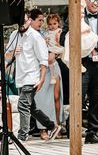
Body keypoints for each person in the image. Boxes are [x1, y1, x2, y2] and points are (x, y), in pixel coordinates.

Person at [61, 0, 98, 144]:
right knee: (77, 98)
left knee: (97, 101)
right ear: (86, 0)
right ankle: (72, 131)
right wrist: (79, 41)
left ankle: (92, 133)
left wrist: (94, 43)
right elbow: (62, 38)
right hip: (82, 64)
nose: (96, 4)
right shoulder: (74, 16)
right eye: (93, 0)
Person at [5, 9, 61, 142]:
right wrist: (12, 53)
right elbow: (7, 55)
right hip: (20, 77)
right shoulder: (14, 35)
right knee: (32, 107)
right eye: (19, 23)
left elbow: (43, 60)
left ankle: (21, 136)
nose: (22, 25)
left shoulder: (36, 37)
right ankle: (52, 126)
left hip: (32, 77)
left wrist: (41, 79)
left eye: (24, 22)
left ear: (29, 20)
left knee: (23, 104)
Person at [44, 14, 64, 128]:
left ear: (58, 23)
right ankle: (51, 124)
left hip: (57, 53)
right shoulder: (46, 34)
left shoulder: (60, 32)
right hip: (49, 57)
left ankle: (58, 122)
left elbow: (62, 44)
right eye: (50, 24)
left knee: (56, 96)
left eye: (54, 24)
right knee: (49, 97)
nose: (52, 26)